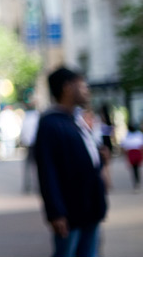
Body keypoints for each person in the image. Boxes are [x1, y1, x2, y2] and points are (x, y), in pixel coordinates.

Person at [34, 67, 108, 257]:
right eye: (82, 85)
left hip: (89, 209)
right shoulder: (50, 123)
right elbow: (47, 171)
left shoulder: (74, 120)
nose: (86, 90)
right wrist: (56, 212)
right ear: (67, 87)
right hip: (70, 213)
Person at [119, 122, 143, 191]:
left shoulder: (137, 134)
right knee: (134, 168)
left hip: (135, 152)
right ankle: (136, 181)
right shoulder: (129, 135)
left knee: (135, 168)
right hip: (132, 153)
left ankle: (137, 181)